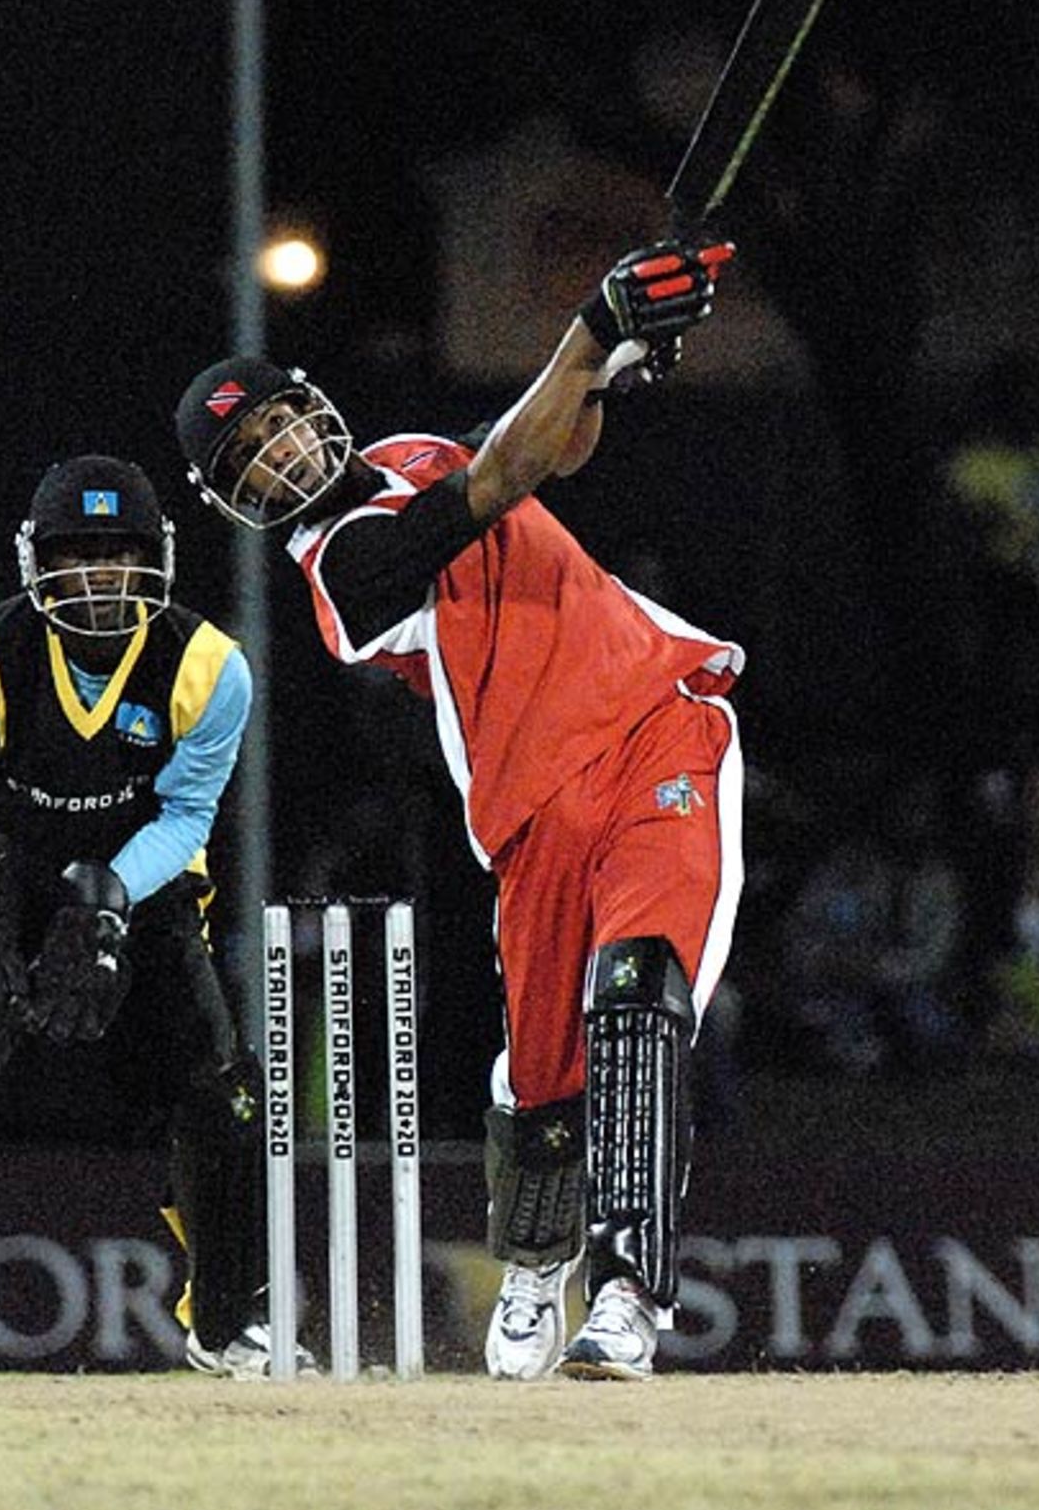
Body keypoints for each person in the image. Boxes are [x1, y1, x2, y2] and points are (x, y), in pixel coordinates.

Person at [174, 236, 745, 1381]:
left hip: (657, 728)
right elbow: (498, 481)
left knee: (637, 996)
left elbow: (554, 447)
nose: (282, 454)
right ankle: (535, 1261)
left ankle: (625, 1295)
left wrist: (616, 355)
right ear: (234, 499)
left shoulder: (405, 450)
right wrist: (589, 329)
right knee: (541, 1079)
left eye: (281, 422)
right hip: (530, 810)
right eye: (251, 457)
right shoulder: (342, 573)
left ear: (313, 407)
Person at [0, 454, 314, 1380]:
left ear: (159, 560)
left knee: (221, 1089)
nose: (101, 576)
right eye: (79, 556)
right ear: (38, 563)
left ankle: (229, 1321)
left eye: (121, 554)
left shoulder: (210, 666)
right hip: (0, 884)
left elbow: (186, 815)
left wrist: (105, 899)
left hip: (136, 890)